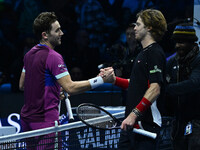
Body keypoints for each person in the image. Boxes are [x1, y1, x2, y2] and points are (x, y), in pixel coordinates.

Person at [19, 12, 113, 149]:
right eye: (57, 30)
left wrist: (54, 90)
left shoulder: (29, 55)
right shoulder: (53, 56)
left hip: (27, 121)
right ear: (45, 35)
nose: (62, 33)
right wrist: (101, 80)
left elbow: (22, 85)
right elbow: (71, 87)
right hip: (46, 123)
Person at [100, 9, 167, 150]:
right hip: (131, 127)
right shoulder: (142, 53)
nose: (134, 28)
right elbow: (136, 84)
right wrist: (114, 80)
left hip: (145, 126)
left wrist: (134, 114)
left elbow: (155, 89)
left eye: (138, 24)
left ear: (149, 27)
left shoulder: (155, 52)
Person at [165, 23, 200, 150]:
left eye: (182, 42)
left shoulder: (198, 60)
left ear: (192, 42)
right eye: (176, 42)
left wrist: (167, 89)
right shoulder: (171, 61)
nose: (177, 45)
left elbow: (194, 83)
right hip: (178, 120)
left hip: (197, 120)